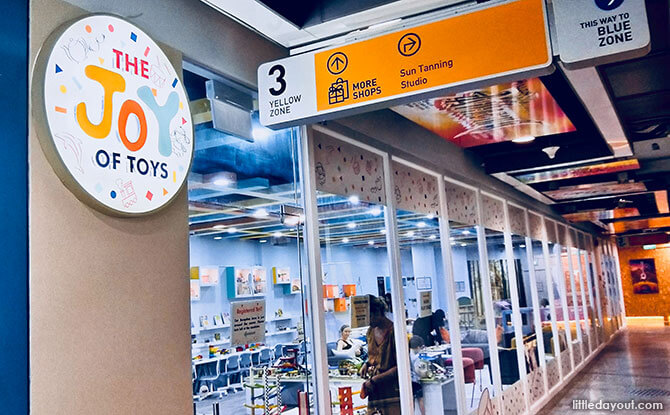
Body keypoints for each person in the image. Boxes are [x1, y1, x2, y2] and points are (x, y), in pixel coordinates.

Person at [359, 295, 400, 415]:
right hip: (375, 390)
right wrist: (367, 363)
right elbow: (375, 355)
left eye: (369, 317)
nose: (367, 321)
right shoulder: (370, 331)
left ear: (377, 312)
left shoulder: (395, 332)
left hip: (392, 391)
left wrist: (375, 380)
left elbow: (400, 367)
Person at [409, 336, 426, 415]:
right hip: (416, 380)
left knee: (411, 400)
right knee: (420, 399)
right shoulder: (417, 357)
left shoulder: (408, 354)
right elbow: (418, 370)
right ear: (418, 347)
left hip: (410, 380)